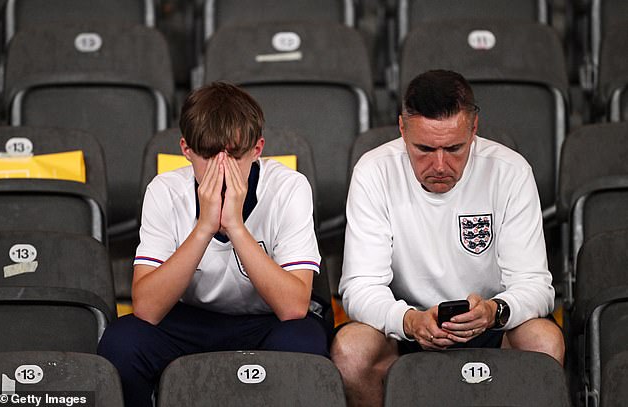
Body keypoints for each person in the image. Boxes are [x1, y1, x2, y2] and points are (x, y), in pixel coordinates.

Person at [330, 70, 565, 407]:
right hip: (406, 326)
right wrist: (409, 321)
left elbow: (535, 285)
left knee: (543, 341)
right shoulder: (374, 171)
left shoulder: (509, 171)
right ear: (402, 128)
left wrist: (493, 312)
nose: (439, 164)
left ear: (474, 130)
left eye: (454, 148)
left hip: (492, 324)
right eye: (424, 148)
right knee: (351, 350)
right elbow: (359, 287)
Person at [98, 82, 328, 407]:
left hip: (265, 322)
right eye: (207, 155)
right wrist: (204, 227)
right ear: (186, 150)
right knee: (122, 343)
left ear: (257, 149)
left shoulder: (289, 188)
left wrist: (235, 226)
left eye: (235, 155)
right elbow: (147, 309)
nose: (222, 169)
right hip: (190, 319)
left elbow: (293, 306)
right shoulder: (165, 191)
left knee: (305, 342)